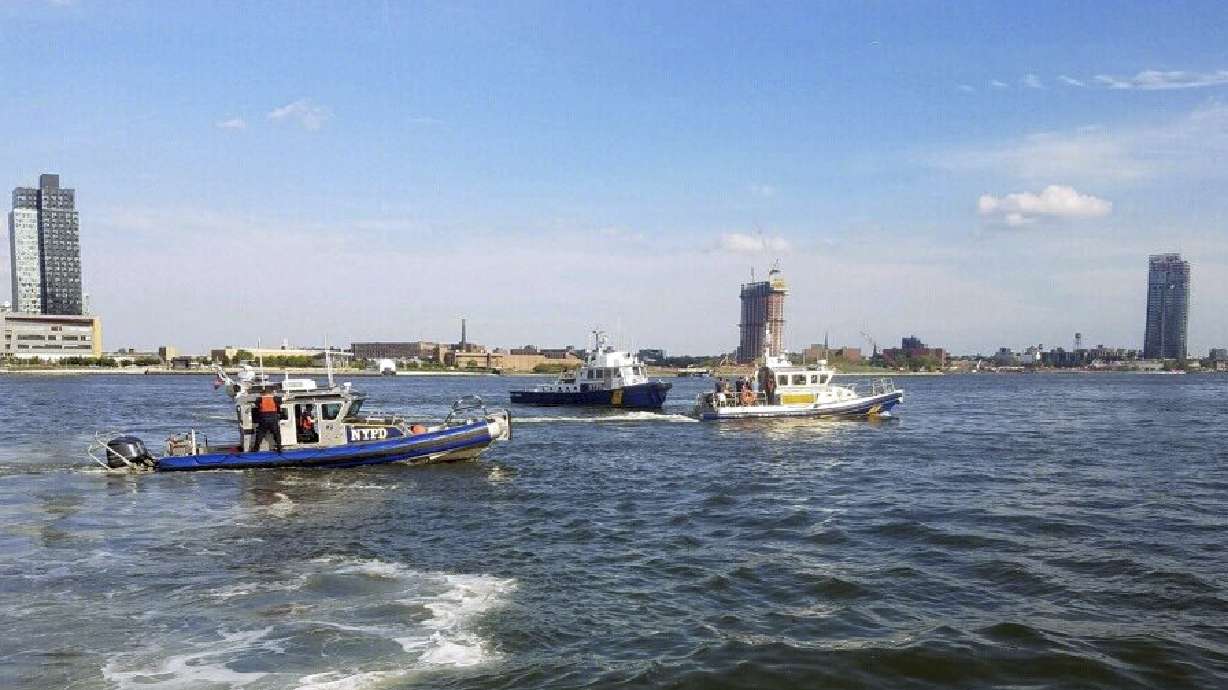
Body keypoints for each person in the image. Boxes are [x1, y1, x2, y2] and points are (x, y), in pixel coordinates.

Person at [250, 388, 283, 452]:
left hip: (263, 418)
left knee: (260, 433)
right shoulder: (275, 398)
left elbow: (256, 405)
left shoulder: (260, 399)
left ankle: (256, 448)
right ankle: (279, 447)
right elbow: (280, 402)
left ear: (264, 393)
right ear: (270, 393)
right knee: (276, 433)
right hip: (273, 418)